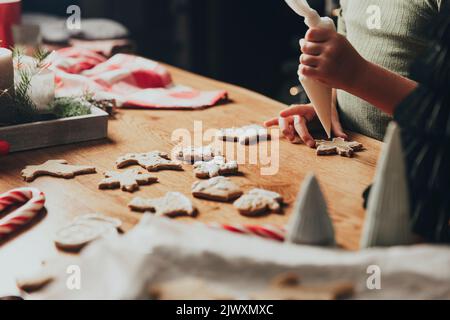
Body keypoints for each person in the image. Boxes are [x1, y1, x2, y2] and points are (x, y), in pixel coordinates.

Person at [265, 0, 443, 143]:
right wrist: (326, 108)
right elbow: (344, 69)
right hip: (353, 155)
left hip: (416, 170)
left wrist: (357, 75)